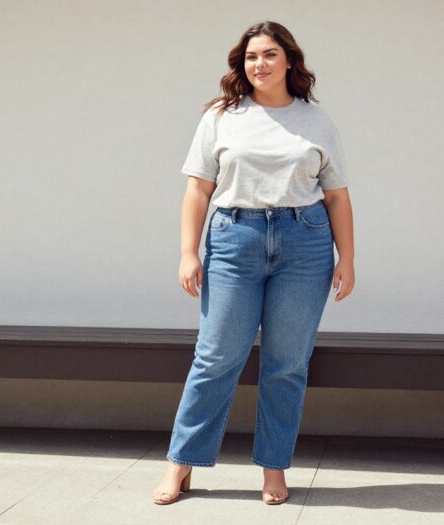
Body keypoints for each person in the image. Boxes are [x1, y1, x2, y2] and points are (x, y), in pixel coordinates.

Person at [153, 20, 355, 506]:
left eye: (268, 54)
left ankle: (274, 467)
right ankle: (180, 465)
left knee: (287, 363)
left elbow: (337, 196)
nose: (258, 64)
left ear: (289, 60)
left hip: (304, 244)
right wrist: (187, 252)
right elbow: (198, 188)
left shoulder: (316, 120)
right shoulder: (222, 116)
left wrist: (347, 257)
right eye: (250, 57)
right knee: (216, 355)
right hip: (234, 239)